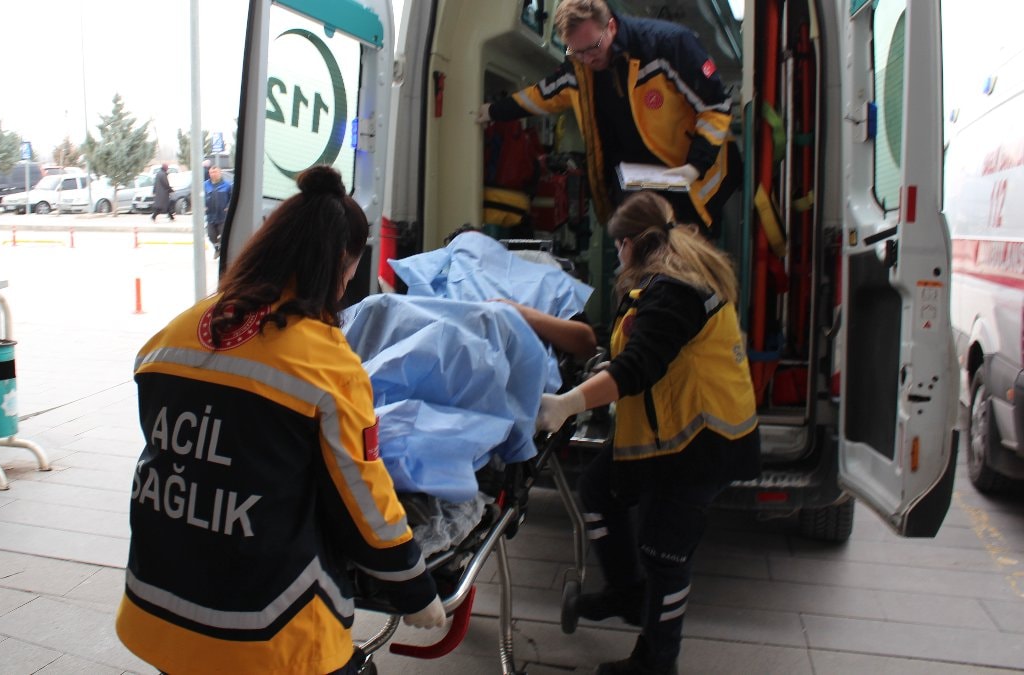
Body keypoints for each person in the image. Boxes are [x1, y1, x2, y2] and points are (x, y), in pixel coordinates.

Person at [117, 165, 446, 675]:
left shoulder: (175, 333)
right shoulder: (326, 363)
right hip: (265, 628)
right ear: (339, 265)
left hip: (155, 607)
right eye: (348, 275)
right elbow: (363, 498)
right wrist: (412, 586)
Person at [536, 191, 760, 675]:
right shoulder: (667, 281)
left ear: (632, 243)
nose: (617, 255)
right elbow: (642, 352)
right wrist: (604, 369)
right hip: (671, 432)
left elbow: (639, 365)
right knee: (599, 488)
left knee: (664, 553)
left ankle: (657, 662)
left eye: (618, 246)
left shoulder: (674, 289)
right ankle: (626, 594)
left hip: (699, 442)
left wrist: (567, 404)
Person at [476, 0, 738, 234]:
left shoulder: (668, 45)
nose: (587, 59)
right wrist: (492, 111)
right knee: (640, 259)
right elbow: (542, 96)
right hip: (636, 185)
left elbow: (715, 106)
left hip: (693, 181)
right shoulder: (580, 68)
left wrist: (695, 167)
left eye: (593, 47)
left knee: (688, 260)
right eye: (576, 51)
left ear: (611, 26)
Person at [204, 164, 233, 259]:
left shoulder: (227, 185)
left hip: (222, 216)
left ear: (220, 173)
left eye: (215, 172)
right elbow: (201, 197)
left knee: (224, 235)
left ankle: (223, 251)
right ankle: (217, 249)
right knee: (211, 235)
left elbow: (232, 198)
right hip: (210, 216)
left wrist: (228, 207)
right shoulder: (205, 185)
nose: (213, 174)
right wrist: (203, 206)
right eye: (211, 172)